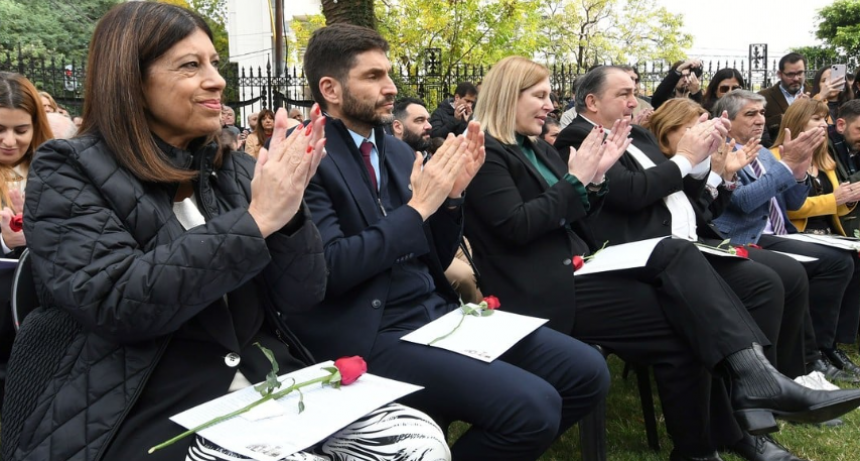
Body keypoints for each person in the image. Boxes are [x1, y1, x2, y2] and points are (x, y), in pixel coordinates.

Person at [0, 4, 451, 461]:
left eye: (214, 63)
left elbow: (302, 293)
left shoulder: (228, 168)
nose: (216, 79)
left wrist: (289, 213)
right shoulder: (70, 168)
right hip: (142, 397)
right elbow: (119, 304)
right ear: (131, 80)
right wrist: (256, 221)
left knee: (421, 441)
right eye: (190, 66)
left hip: (260, 377)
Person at [290, 24, 611, 461]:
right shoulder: (308, 156)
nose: (391, 88)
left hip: (435, 312)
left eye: (388, 74)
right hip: (371, 330)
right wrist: (419, 208)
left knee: (587, 372)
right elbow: (330, 270)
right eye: (373, 77)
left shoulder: (399, 151)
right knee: (532, 407)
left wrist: (453, 200)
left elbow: (435, 258)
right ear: (329, 88)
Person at [553, 66, 855, 460]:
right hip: (640, 258)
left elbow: (683, 195)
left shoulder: (638, 134)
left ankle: (754, 399)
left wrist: (706, 169)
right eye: (624, 93)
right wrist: (684, 159)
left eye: (634, 92)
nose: (634, 100)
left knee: (765, 283)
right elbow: (628, 194)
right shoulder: (575, 138)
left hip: (689, 245)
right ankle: (736, 421)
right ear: (592, 102)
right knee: (701, 313)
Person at [712, 90, 860, 384]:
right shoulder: (720, 152)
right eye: (750, 114)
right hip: (745, 238)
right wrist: (786, 165)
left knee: (842, 261)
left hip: (779, 233)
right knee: (812, 268)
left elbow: (792, 203)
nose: (759, 121)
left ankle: (824, 346)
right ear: (727, 119)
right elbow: (742, 202)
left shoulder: (763, 152)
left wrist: (800, 170)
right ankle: (809, 357)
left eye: (762, 114)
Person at [391, 97, 483, 304]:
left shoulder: (428, 156)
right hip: (417, 245)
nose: (429, 126)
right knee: (465, 278)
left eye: (428, 120)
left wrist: (455, 193)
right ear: (397, 126)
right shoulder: (389, 160)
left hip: (447, 235)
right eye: (419, 120)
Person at [0, 71, 54, 403]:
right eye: (0, 130)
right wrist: (6, 242)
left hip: (42, 312)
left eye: (21, 130)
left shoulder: (56, 170)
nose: (10, 141)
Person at [759, 53, 809, 141]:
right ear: (780, 74)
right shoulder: (763, 97)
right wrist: (792, 111)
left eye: (800, 73)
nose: (796, 78)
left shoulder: (815, 93)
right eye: (790, 74)